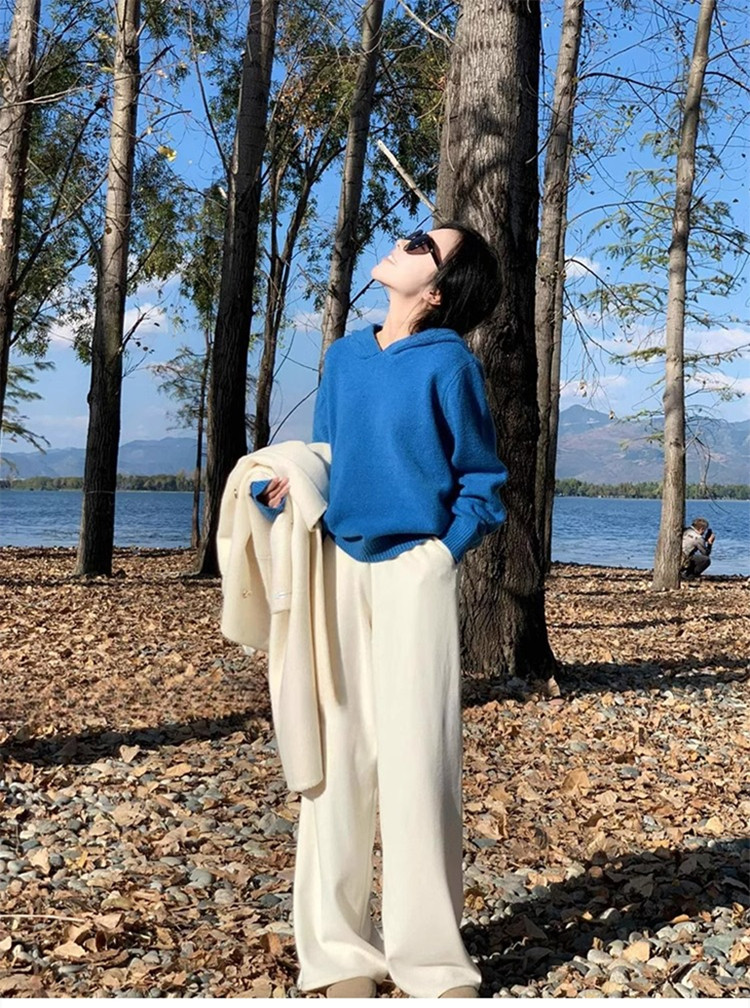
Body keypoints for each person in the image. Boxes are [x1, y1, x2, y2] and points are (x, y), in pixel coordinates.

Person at [254, 223, 507, 998]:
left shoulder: (449, 364)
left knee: (416, 762)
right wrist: (284, 492)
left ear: (437, 291)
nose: (403, 241)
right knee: (337, 763)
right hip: (336, 569)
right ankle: (339, 954)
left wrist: (440, 557)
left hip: (412, 575)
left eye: (422, 244)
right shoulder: (343, 358)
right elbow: (328, 459)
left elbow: (483, 482)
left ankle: (430, 959)